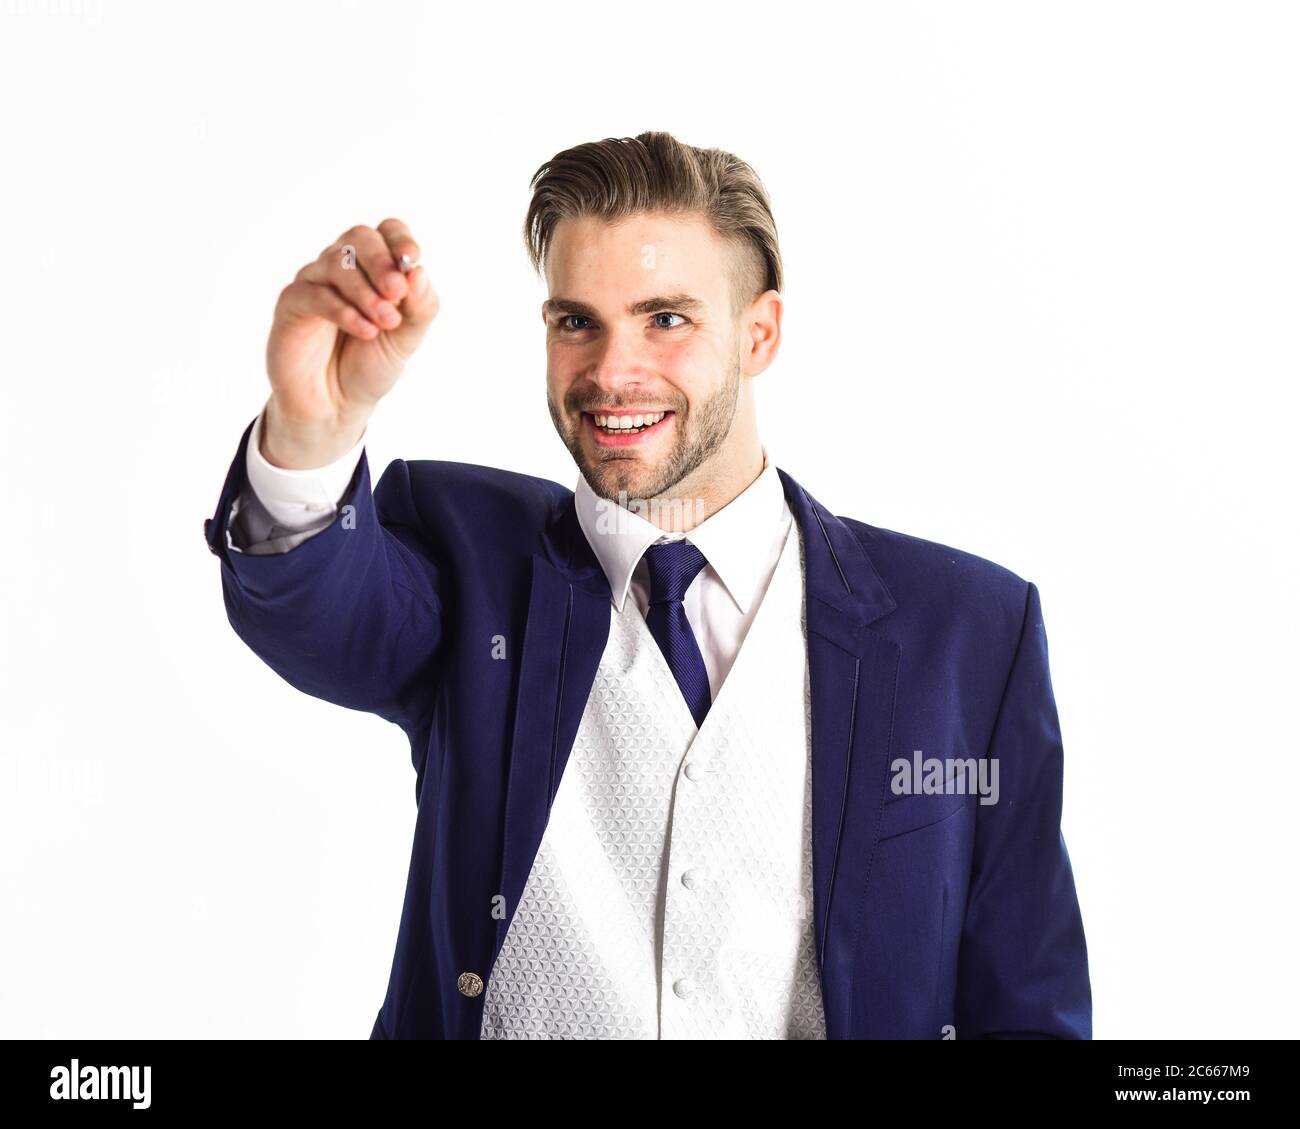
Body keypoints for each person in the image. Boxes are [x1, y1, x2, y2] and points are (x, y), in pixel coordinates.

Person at [203, 130, 1091, 1040]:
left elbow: (1025, 1005)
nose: (610, 373)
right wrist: (313, 431)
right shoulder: (469, 566)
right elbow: (323, 609)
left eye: (666, 318)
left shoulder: (970, 631)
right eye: (576, 320)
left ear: (760, 333)